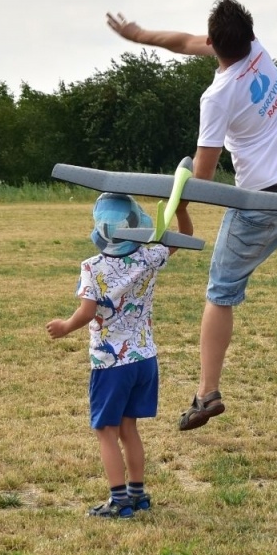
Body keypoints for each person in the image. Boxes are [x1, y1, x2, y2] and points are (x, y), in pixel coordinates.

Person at [106, 0, 277, 434]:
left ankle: (207, 393)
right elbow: (185, 42)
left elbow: (205, 173)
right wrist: (142, 36)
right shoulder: (258, 52)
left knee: (221, 293)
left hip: (260, 202)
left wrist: (182, 203)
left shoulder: (216, 96)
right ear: (249, 33)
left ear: (216, 43)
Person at [46, 194, 193, 517]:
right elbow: (181, 240)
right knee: (129, 429)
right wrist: (181, 210)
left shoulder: (92, 267)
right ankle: (137, 493)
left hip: (111, 364)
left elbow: (86, 312)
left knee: (106, 432)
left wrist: (65, 326)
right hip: (145, 359)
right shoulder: (148, 257)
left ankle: (118, 499)